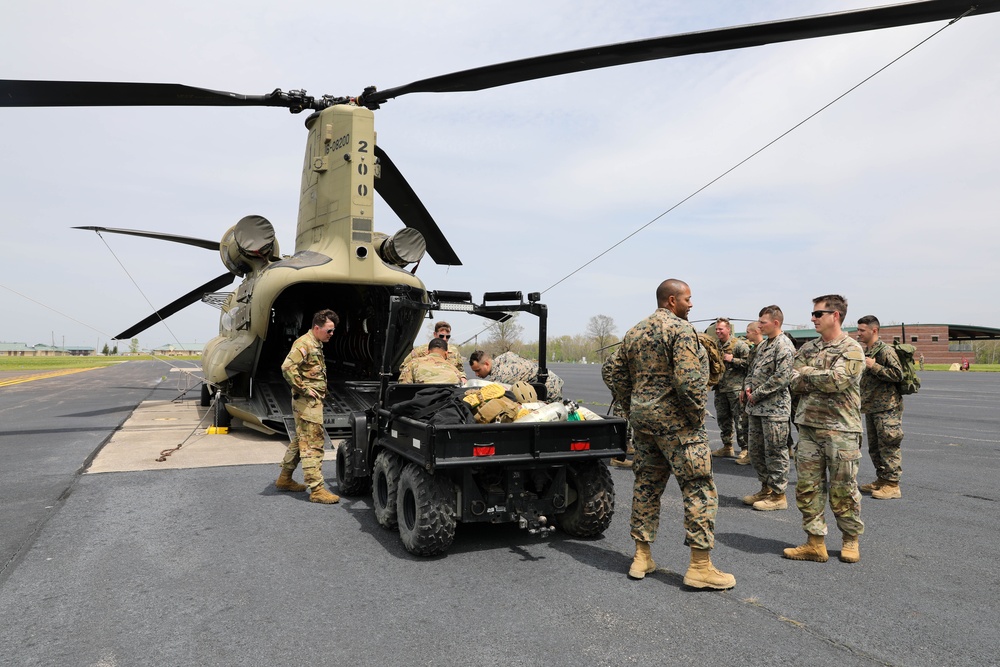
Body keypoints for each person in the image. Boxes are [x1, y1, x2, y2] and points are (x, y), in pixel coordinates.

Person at [606, 279, 735, 590]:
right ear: (671, 300)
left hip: (645, 424)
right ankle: (700, 567)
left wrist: (633, 403)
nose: (692, 305)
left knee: (646, 486)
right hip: (679, 427)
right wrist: (692, 417)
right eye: (688, 299)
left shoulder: (634, 331)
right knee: (698, 488)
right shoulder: (680, 331)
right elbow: (689, 381)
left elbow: (611, 370)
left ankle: (641, 557)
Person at [784, 295, 865, 564]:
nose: (813, 318)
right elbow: (792, 381)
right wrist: (812, 375)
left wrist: (806, 373)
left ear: (836, 315)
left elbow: (838, 381)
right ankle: (815, 543)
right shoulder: (808, 348)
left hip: (841, 430)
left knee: (844, 489)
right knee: (808, 487)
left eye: (818, 314)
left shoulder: (851, 348)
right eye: (813, 313)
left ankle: (850, 539)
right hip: (808, 427)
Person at [276, 309, 340, 504]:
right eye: (329, 330)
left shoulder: (316, 343)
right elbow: (287, 367)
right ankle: (317, 489)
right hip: (306, 403)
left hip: (311, 402)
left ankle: (284, 479)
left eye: (333, 330)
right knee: (313, 443)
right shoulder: (305, 343)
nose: (331, 334)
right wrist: (303, 388)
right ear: (317, 328)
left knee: (300, 439)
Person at [740, 306, 795, 511]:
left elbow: (782, 378)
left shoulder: (784, 345)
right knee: (756, 451)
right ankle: (766, 489)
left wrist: (757, 393)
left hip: (774, 409)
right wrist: (746, 387)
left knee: (775, 452)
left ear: (776, 323)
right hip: (755, 408)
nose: (760, 325)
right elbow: (751, 369)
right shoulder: (763, 346)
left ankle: (779, 495)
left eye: (763, 322)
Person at [856, 315, 905, 500]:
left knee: (889, 444)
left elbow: (897, 375)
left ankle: (893, 485)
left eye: (862, 330)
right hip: (871, 406)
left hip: (887, 408)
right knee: (875, 447)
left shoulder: (885, 351)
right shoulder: (866, 350)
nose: (858, 333)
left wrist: (874, 366)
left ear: (873, 330)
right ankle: (882, 479)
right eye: (858, 330)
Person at [710, 317, 751, 463]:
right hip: (720, 388)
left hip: (735, 388)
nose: (718, 331)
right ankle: (727, 446)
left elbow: (750, 364)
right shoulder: (715, 345)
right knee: (723, 419)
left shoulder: (739, 345)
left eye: (721, 329)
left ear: (728, 329)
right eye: (716, 329)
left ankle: (745, 448)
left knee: (740, 419)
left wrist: (733, 359)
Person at [469, 350, 564, 401]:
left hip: (549, 389)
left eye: (478, 370)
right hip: (551, 380)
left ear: (486, 364)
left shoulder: (500, 377)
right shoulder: (503, 357)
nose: (477, 374)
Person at [399, 321, 467, 384]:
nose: (444, 339)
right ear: (435, 334)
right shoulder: (420, 350)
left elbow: (460, 370)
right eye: (441, 336)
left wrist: (463, 377)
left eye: (447, 336)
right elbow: (404, 368)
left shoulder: (454, 351)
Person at [602, 345, 634, 469]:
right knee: (622, 415)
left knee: (629, 413)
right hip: (620, 385)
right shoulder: (623, 352)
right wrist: (617, 389)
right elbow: (606, 369)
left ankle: (626, 444)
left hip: (627, 385)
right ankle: (616, 458)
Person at [736, 322, 764, 467]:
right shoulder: (753, 350)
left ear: (756, 331)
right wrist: (744, 388)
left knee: (758, 429)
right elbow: (748, 371)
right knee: (747, 425)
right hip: (749, 391)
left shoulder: (765, 349)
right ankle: (751, 454)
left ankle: (756, 456)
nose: (746, 335)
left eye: (748, 332)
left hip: (760, 394)